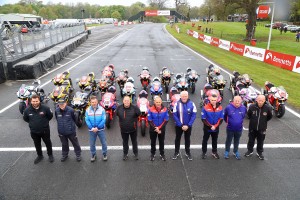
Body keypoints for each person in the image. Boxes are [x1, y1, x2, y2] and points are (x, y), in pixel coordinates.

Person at [23, 94, 54, 164]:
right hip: (34, 132)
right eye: (33, 101)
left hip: (45, 131)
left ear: (39, 101)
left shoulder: (45, 108)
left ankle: (50, 155)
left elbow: (50, 116)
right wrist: (33, 124)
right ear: (31, 101)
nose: (35, 103)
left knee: (48, 143)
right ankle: (40, 156)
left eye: (36, 101)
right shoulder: (27, 110)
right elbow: (26, 119)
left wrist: (44, 123)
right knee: (37, 144)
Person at [244, 95, 273, 160]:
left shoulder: (267, 108)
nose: (260, 102)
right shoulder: (252, 107)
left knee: (260, 141)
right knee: (251, 140)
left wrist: (263, 122)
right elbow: (249, 115)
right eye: (259, 100)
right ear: (256, 100)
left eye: (262, 101)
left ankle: (259, 152)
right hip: (252, 128)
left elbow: (269, 117)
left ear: (264, 101)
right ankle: (250, 151)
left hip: (262, 129)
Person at [55, 97, 81, 162]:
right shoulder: (57, 111)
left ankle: (78, 155)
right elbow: (57, 119)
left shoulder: (71, 110)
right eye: (60, 104)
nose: (61, 105)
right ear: (58, 104)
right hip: (61, 132)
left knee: (75, 143)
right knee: (64, 144)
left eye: (63, 104)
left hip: (71, 132)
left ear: (65, 103)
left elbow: (75, 119)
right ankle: (64, 155)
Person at [172, 91, 197, 161]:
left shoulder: (192, 104)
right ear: (180, 96)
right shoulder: (177, 104)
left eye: (185, 96)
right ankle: (176, 152)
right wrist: (180, 125)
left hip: (188, 126)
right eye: (183, 96)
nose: (184, 97)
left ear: (188, 96)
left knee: (187, 139)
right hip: (179, 126)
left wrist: (188, 125)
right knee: (177, 139)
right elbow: (174, 115)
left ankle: (187, 152)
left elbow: (194, 115)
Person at [116, 96, 141, 160]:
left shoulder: (135, 108)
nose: (126, 102)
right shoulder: (119, 108)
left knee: (134, 142)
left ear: (130, 101)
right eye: (125, 100)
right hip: (123, 130)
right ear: (123, 101)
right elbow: (117, 114)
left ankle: (136, 153)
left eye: (128, 100)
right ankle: (125, 154)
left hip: (133, 129)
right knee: (125, 142)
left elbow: (139, 113)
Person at [223, 96, 247, 160]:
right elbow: (225, 116)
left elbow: (243, 116)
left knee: (237, 140)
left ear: (241, 101)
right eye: (235, 100)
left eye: (238, 100)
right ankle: (226, 151)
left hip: (239, 129)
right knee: (228, 140)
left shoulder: (244, 108)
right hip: (230, 128)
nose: (237, 101)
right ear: (233, 101)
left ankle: (235, 151)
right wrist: (228, 122)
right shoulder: (228, 107)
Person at [201, 93, 223, 159]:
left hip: (216, 128)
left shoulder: (220, 108)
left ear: (217, 100)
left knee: (215, 140)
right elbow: (203, 119)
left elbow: (221, 119)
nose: (213, 101)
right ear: (210, 100)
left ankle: (214, 152)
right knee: (205, 140)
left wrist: (215, 126)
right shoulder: (205, 107)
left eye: (215, 100)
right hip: (207, 127)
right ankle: (204, 152)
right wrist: (210, 126)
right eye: (212, 100)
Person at [85, 96, 107, 162]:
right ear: (90, 103)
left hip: (100, 129)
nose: (94, 103)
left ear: (97, 102)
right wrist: (92, 128)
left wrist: (97, 128)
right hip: (92, 130)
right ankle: (93, 154)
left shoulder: (102, 109)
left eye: (95, 102)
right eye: (92, 102)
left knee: (103, 143)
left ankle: (104, 154)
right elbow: (87, 120)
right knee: (92, 144)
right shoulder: (87, 110)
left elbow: (103, 120)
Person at [147, 96, 169, 161]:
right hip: (153, 129)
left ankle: (162, 154)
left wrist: (159, 128)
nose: (158, 103)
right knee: (153, 142)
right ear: (154, 102)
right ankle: (152, 154)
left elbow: (166, 120)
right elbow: (149, 120)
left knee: (161, 142)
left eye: (159, 102)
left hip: (161, 129)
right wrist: (156, 128)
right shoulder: (150, 109)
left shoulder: (165, 109)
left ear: (161, 102)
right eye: (157, 102)